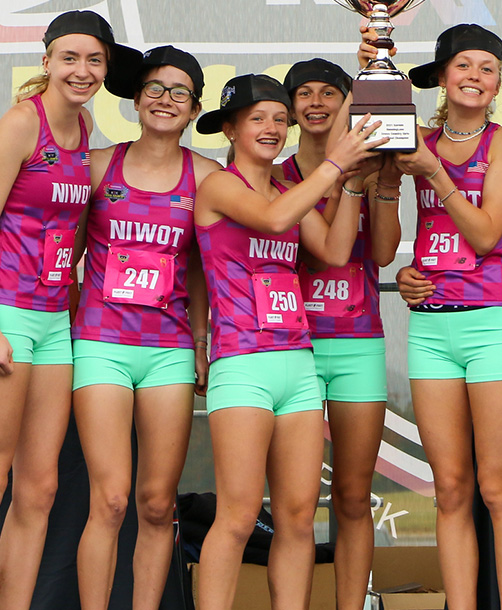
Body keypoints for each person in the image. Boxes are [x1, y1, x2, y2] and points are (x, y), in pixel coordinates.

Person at [0, 10, 141, 610]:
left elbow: (72, 232)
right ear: (47, 62)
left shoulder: (84, 127)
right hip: (5, 314)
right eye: (70, 58)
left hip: (55, 321)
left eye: (94, 60)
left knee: (39, 489)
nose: (81, 71)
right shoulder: (21, 123)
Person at [192, 74, 384, 610]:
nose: (272, 128)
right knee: (237, 517)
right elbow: (274, 220)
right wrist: (337, 163)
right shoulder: (219, 186)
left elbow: (335, 252)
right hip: (242, 363)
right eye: (257, 118)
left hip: (297, 363)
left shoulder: (285, 191)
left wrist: (351, 186)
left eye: (280, 119)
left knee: (298, 518)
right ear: (229, 129)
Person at [376, 24, 502, 610]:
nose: (475, 77)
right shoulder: (415, 140)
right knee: (448, 488)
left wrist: (434, 172)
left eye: (487, 68)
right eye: (463, 65)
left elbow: (488, 235)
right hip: (431, 327)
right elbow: (385, 245)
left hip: (492, 324)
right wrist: (404, 268)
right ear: (442, 77)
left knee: (498, 487)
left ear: (497, 82)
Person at [71, 46, 220, 610]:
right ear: (135, 99)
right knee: (110, 500)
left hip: (168, 350)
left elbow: (203, 269)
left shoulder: (206, 176)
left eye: (180, 92)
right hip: (102, 344)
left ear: (195, 109)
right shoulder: (97, 166)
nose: (165, 100)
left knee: (157, 503)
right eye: (155, 88)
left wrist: (201, 343)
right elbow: (64, 255)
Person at [275, 59, 399, 610]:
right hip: (291, 347)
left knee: (352, 496)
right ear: (289, 108)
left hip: (357, 344)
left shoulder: (370, 169)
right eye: (304, 94)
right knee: (295, 504)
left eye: (330, 93)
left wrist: (384, 186)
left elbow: (384, 252)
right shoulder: (275, 175)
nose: (317, 103)